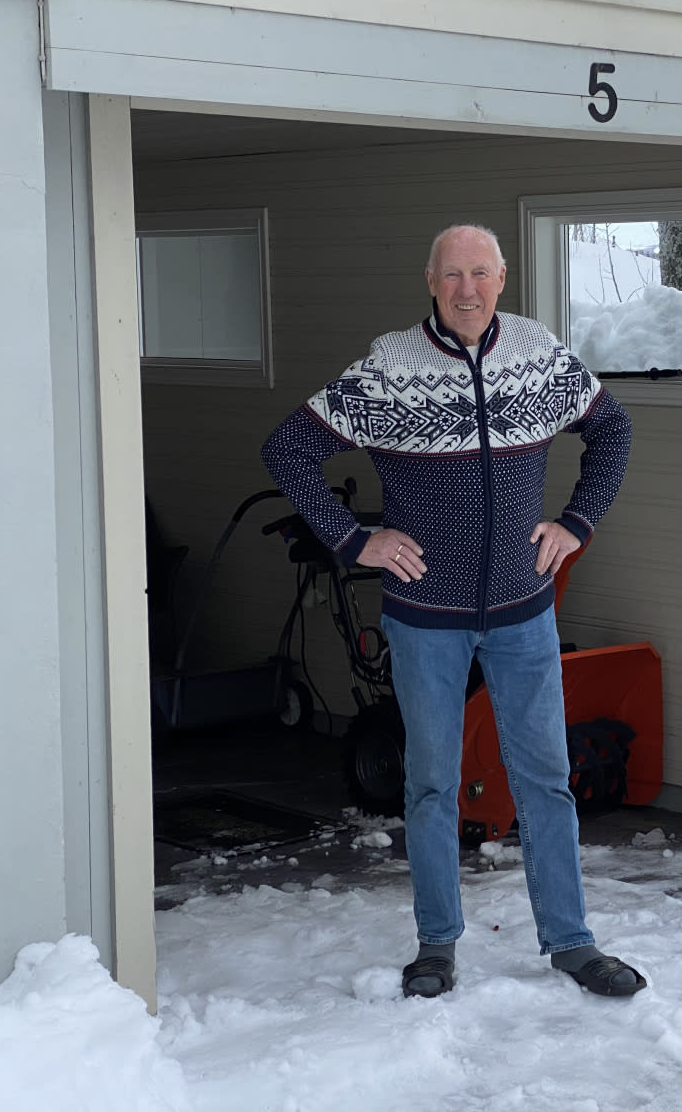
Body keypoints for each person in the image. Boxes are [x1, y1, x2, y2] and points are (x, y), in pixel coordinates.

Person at [262, 223, 643, 999]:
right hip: (424, 617)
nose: (467, 289)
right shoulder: (390, 368)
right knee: (432, 781)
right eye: (452, 275)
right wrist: (354, 539)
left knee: (546, 779)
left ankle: (571, 941)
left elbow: (612, 429)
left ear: (502, 277)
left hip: (523, 613)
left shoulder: (538, 355)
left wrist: (575, 523)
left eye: (480, 273)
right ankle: (437, 944)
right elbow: (288, 449)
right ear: (430, 282)